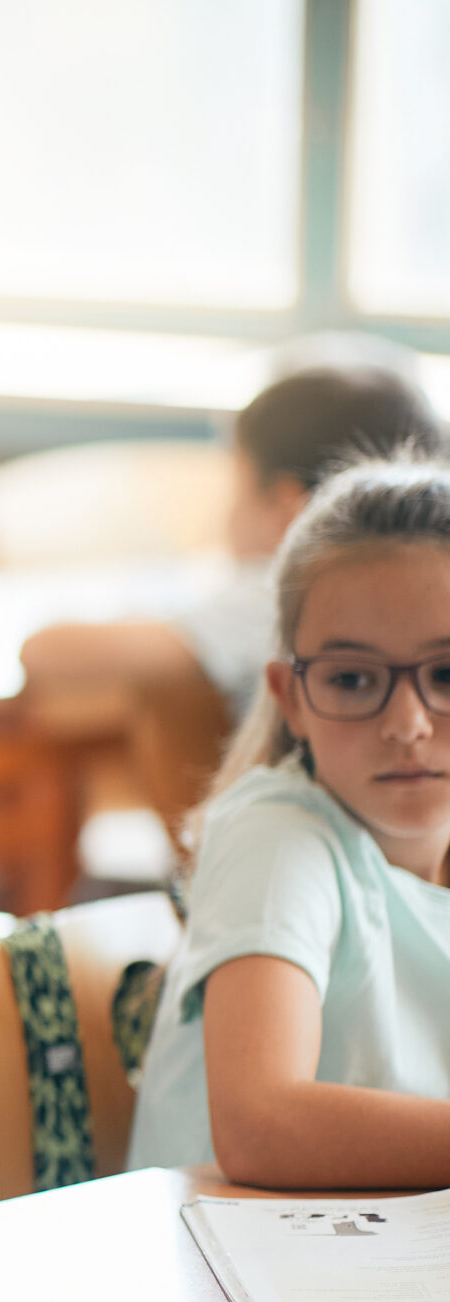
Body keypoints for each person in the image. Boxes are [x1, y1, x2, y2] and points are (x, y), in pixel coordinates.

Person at [127, 457, 450, 1186]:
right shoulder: (277, 835)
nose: (408, 724)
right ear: (290, 696)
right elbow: (259, 1124)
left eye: (447, 675)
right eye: (352, 678)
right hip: (227, 1280)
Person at [21, 364, 441, 833]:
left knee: (159, 688)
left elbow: (47, 652)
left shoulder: (287, 589)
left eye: (234, 486)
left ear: (288, 507)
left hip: (308, 842)